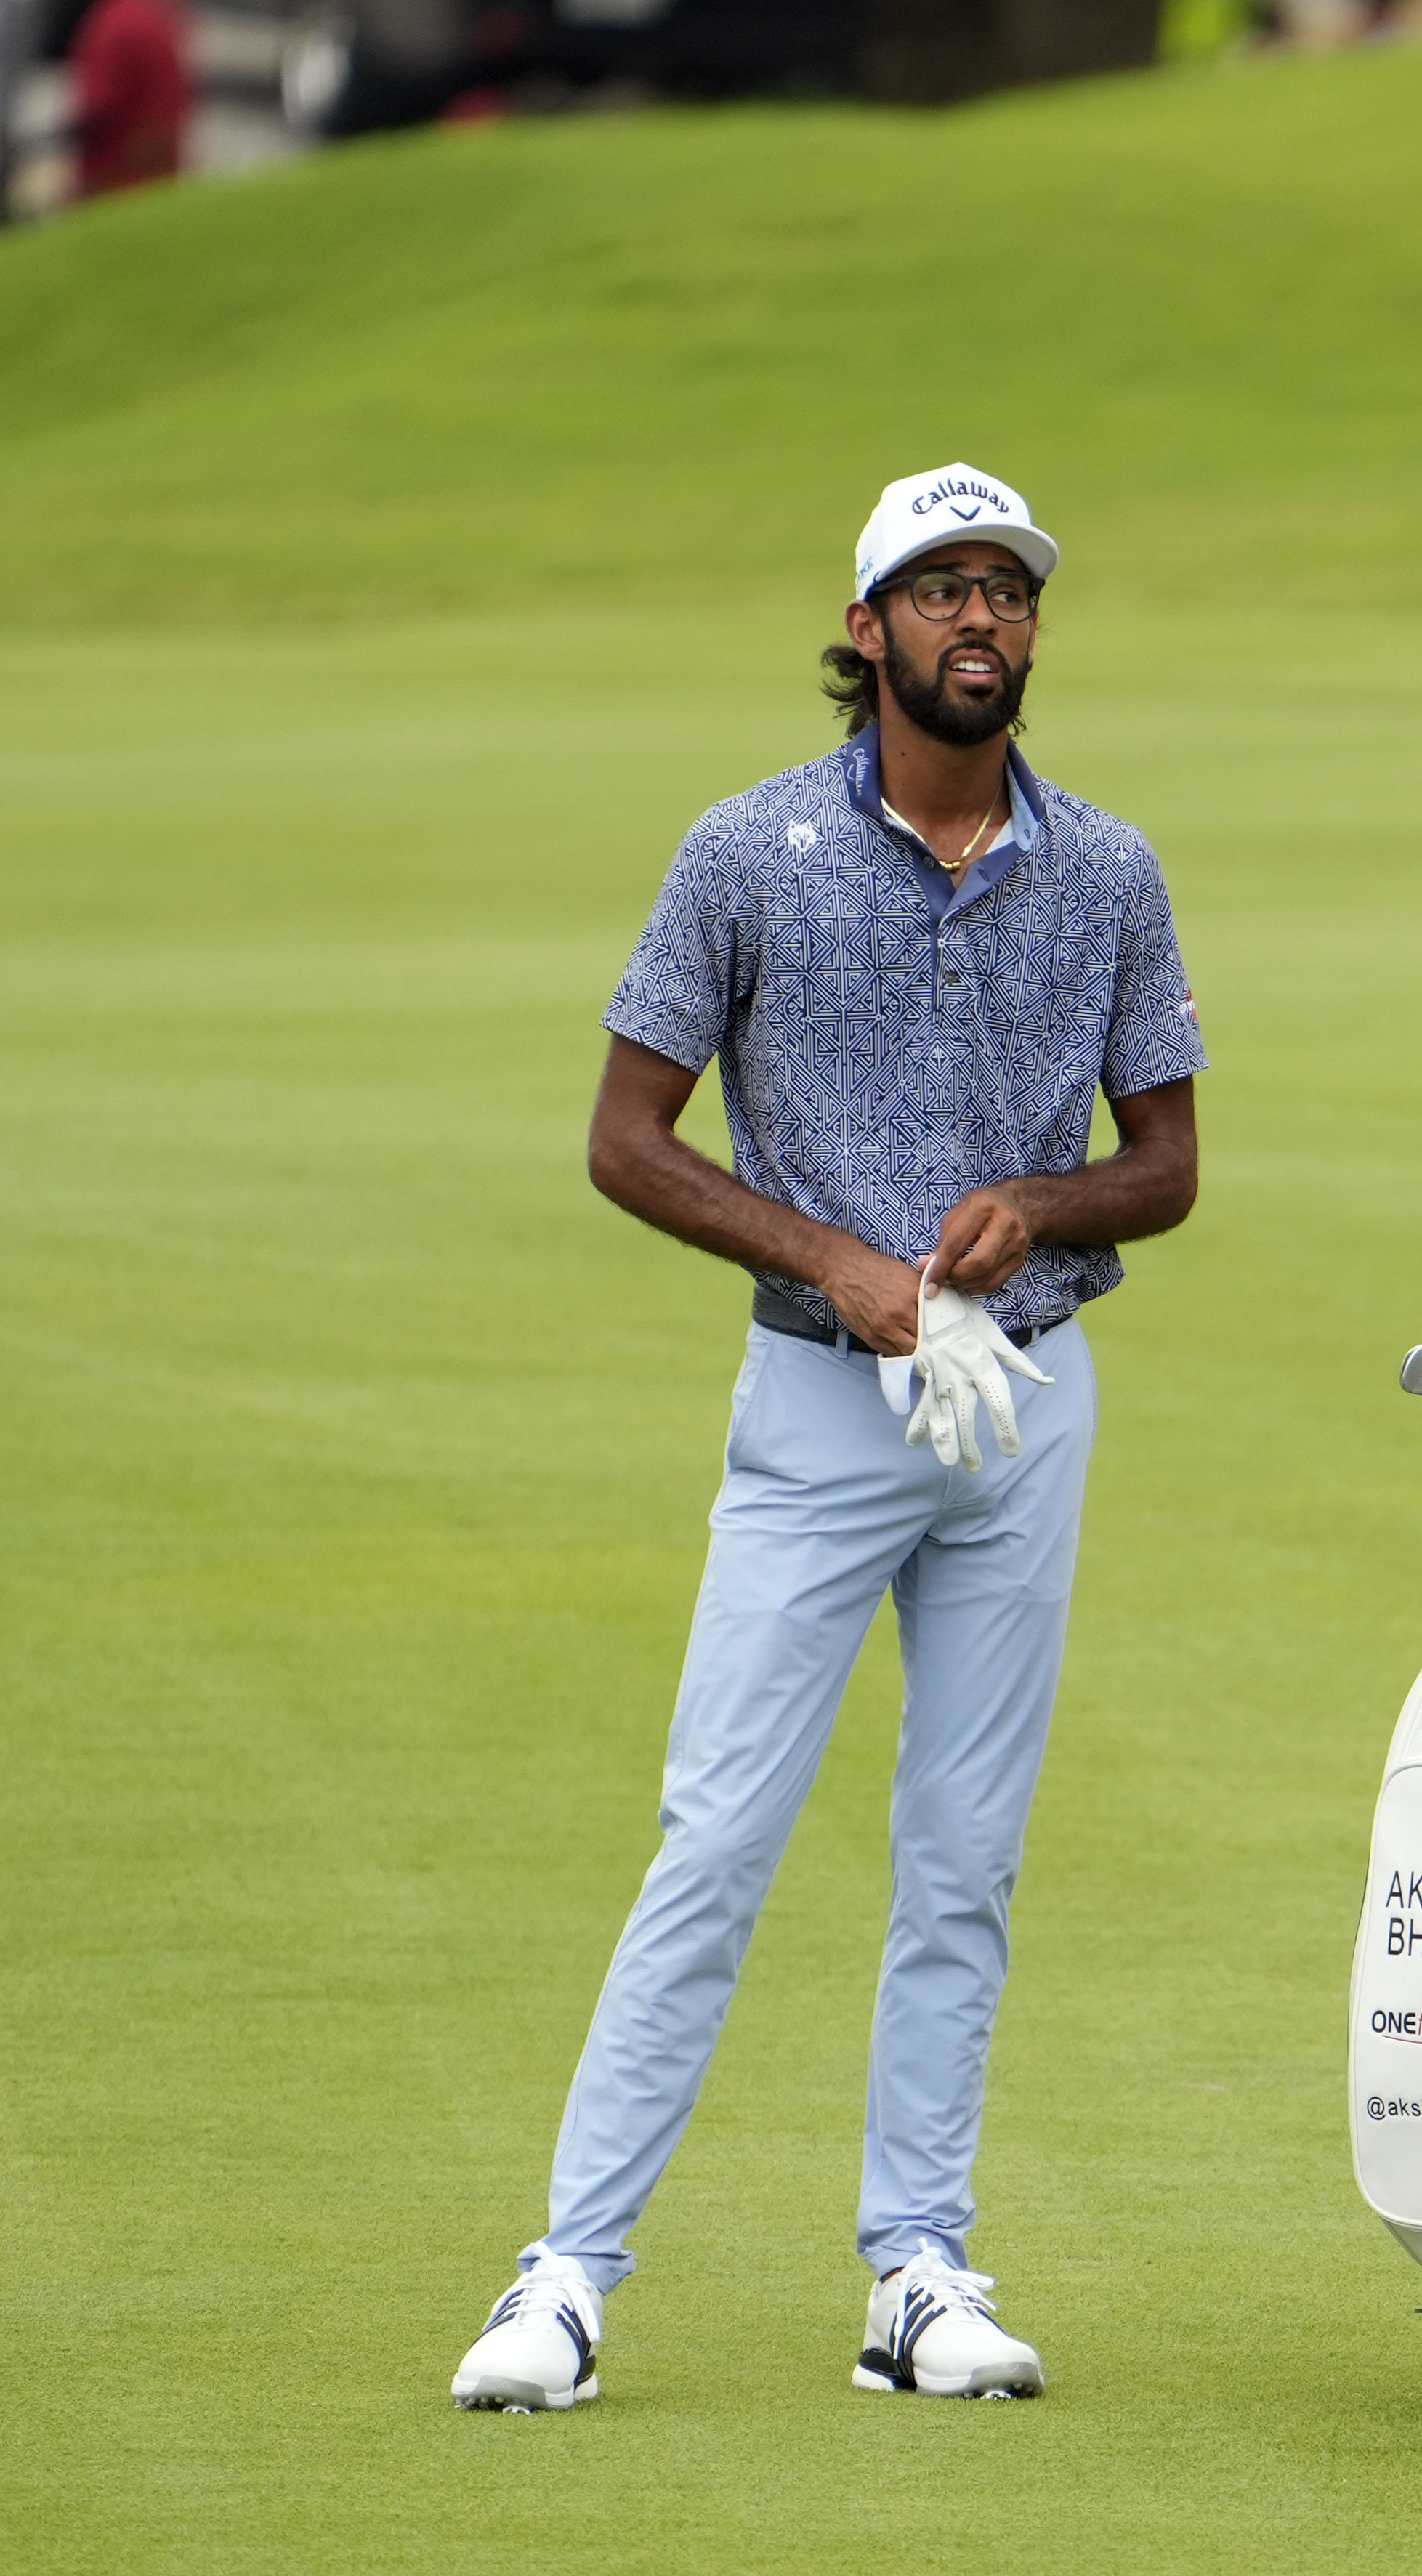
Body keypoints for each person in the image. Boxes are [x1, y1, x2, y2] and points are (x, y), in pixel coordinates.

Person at [449, 463, 1208, 2413]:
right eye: (939, 592)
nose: (982, 622)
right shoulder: (751, 853)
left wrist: (1030, 1208)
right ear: (865, 628)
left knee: (965, 1859)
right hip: (817, 1403)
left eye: (1009, 593)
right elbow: (627, 1139)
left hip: (1024, 1407)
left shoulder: (1105, 868)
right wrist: (839, 1264)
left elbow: (1169, 1167)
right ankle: (566, 2276)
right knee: (718, 1837)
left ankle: (916, 2266)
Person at [67, 0, 187, 201]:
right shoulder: (153, 19)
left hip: (116, 186)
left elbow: (99, 108)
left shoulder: (112, 25)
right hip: (157, 180)